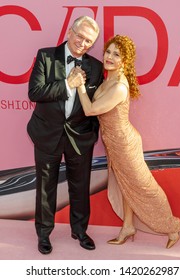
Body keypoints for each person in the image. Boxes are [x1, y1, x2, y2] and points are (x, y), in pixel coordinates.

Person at [76, 34, 180, 249]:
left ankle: (172, 227)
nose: (109, 57)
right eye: (108, 51)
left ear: (125, 61)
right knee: (126, 186)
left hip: (125, 144)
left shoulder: (118, 87)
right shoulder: (110, 80)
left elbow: (90, 110)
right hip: (114, 143)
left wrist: (79, 85)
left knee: (144, 187)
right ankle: (128, 226)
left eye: (117, 54)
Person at [27, 16, 104, 254]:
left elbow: (96, 104)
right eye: (80, 36)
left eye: (89, 41)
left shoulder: (96, 67)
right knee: (45, 187)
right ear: (70, 31)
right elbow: (35, 92)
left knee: (80, 186)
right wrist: (68, 84)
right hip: (47, 133)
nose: (82, 43)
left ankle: (79, 231)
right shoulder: (46, 56)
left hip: (80, 137)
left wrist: (92, 133)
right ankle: (43, 234)